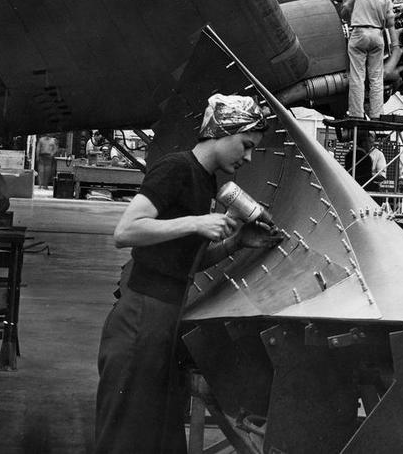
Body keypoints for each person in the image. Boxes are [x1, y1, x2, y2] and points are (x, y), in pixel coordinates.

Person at [94, 94, 282, 454]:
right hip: (140, 318)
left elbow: (181, 260)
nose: (248, 157)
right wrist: (196, 222)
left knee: (158, 436)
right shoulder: (176, 168)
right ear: (221, 131)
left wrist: (235, 243)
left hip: (165, 319)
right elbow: (126, 231)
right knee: (125, 438)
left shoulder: (205, 181)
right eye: (246, 145)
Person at [341, 0, 398, 119]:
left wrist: (351, 13)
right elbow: (390, 22)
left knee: (357, 76)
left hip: (359, 33)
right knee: (376, 78)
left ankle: (356, 114)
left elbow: (345, 12)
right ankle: (377, 114)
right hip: (377, 35)